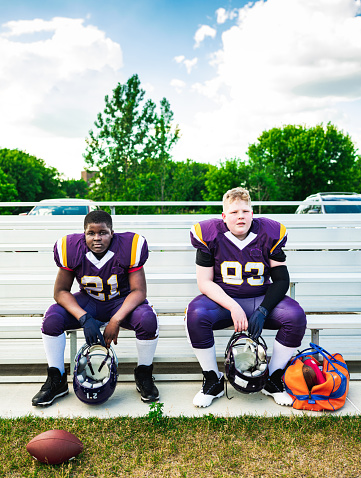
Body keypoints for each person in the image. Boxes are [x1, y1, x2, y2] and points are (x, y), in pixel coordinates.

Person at [186, 187, 306, 408]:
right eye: (233, 212)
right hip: (223, 300)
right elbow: (204, 282)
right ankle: (212, 379)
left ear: (252, 213)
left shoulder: (270, 232)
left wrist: (263, 310)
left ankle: (273, 378)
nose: (240, 216)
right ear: (224, 216)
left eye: (245, 211)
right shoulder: (209, 234)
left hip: (260, 297)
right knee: (194, 314)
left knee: (295, 316)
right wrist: (233, 307)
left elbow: (281, 280)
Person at [32, 210, 159, 406]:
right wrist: (84, 318)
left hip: (120, 300)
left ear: (112, 233)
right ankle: (56, 379)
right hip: (89, 301)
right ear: (84, 234)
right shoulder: (71, 248)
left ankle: (144, 374)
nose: (97, 238)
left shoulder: (129, 246)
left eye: (103, 232)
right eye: (91, 233)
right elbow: (60, 292)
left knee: (147, 319)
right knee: (52, 318)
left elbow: (139, 291)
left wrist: (116, 319)